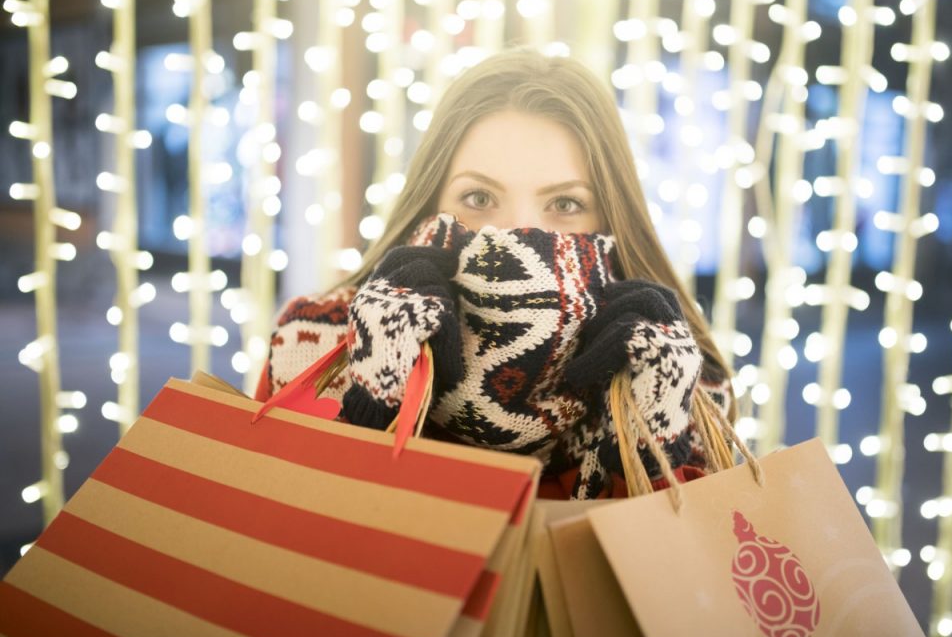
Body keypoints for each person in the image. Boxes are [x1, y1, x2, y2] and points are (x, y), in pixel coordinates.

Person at [255, 47, 737, 499]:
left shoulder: (674, 366)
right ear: (432, 200)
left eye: (565, 203)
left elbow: (680, 576)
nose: (517, 236)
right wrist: (369, 403)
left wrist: (655, 449)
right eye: (480, 199)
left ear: (610, 218)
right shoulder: (318, 337)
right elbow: (272, 530)